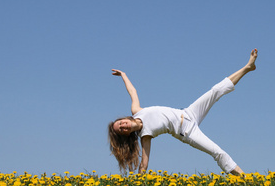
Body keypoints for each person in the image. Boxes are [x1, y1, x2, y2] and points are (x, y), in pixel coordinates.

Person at [108, 49, 258, 176]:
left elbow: (132, 91)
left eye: (121, 123)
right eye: (121, 130)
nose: (123, 126)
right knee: (217, 152)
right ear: (126, 134)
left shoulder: (137, 111)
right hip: (187, 131)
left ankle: (248, 67)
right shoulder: (145, 136)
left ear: (124, 119)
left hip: (188, 113)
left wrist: (124, 75)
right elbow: (144, 164)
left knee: (216, 91)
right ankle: (246, 179)